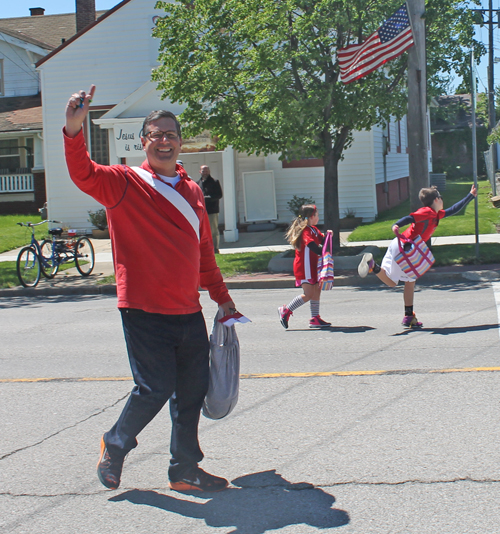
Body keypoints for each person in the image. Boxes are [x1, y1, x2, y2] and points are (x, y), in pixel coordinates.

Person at [64, 85, 236, 493]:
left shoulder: (193, 192)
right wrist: (74, 129)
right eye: (156, 134)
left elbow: (204, 256)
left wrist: (223, 299)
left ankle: (184, 470)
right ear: (143, 142)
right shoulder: (123, 183)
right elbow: (82, 172)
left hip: (187, 311)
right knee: (155, 386)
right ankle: (115, 445)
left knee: (192, 391)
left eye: (171, 134)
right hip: (142, 309)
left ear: (180, 142)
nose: (164, 140)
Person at [358, 184, 477, 327]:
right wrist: (397, 224)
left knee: (408, 281)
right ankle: (374, 267)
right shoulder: (427, 211)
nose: (443, 201)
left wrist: (470, 195)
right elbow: (411, 217)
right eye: (441, 198)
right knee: (395, 282)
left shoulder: (436, 214)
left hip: (399, 245)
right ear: (436, 199)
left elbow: (453, 210)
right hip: (406, 249)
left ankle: (408, 315)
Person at [278, 204, 333, 329]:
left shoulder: (313, 229)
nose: (318, 218)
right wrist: (323, 252)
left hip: (313, 266)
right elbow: (312, 246)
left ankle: (315, 318)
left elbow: (322, 240)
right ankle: (286, 310)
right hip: (305, 267)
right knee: (308, 293)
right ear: (310, 217)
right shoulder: (305, 231)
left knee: (316, 290)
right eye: (317, 215)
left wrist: (328, 236)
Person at [198, 165, 222, 253]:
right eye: (203, 171)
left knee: (213, 230)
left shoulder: (215, 182)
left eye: (207, 171)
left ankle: (215, 249)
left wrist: (207, 198)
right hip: (201, 211)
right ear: (200, 172)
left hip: (212, 210)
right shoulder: (197, 183)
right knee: (202, 231)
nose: (205, 172)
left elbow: (219, 195)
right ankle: (204, 249)